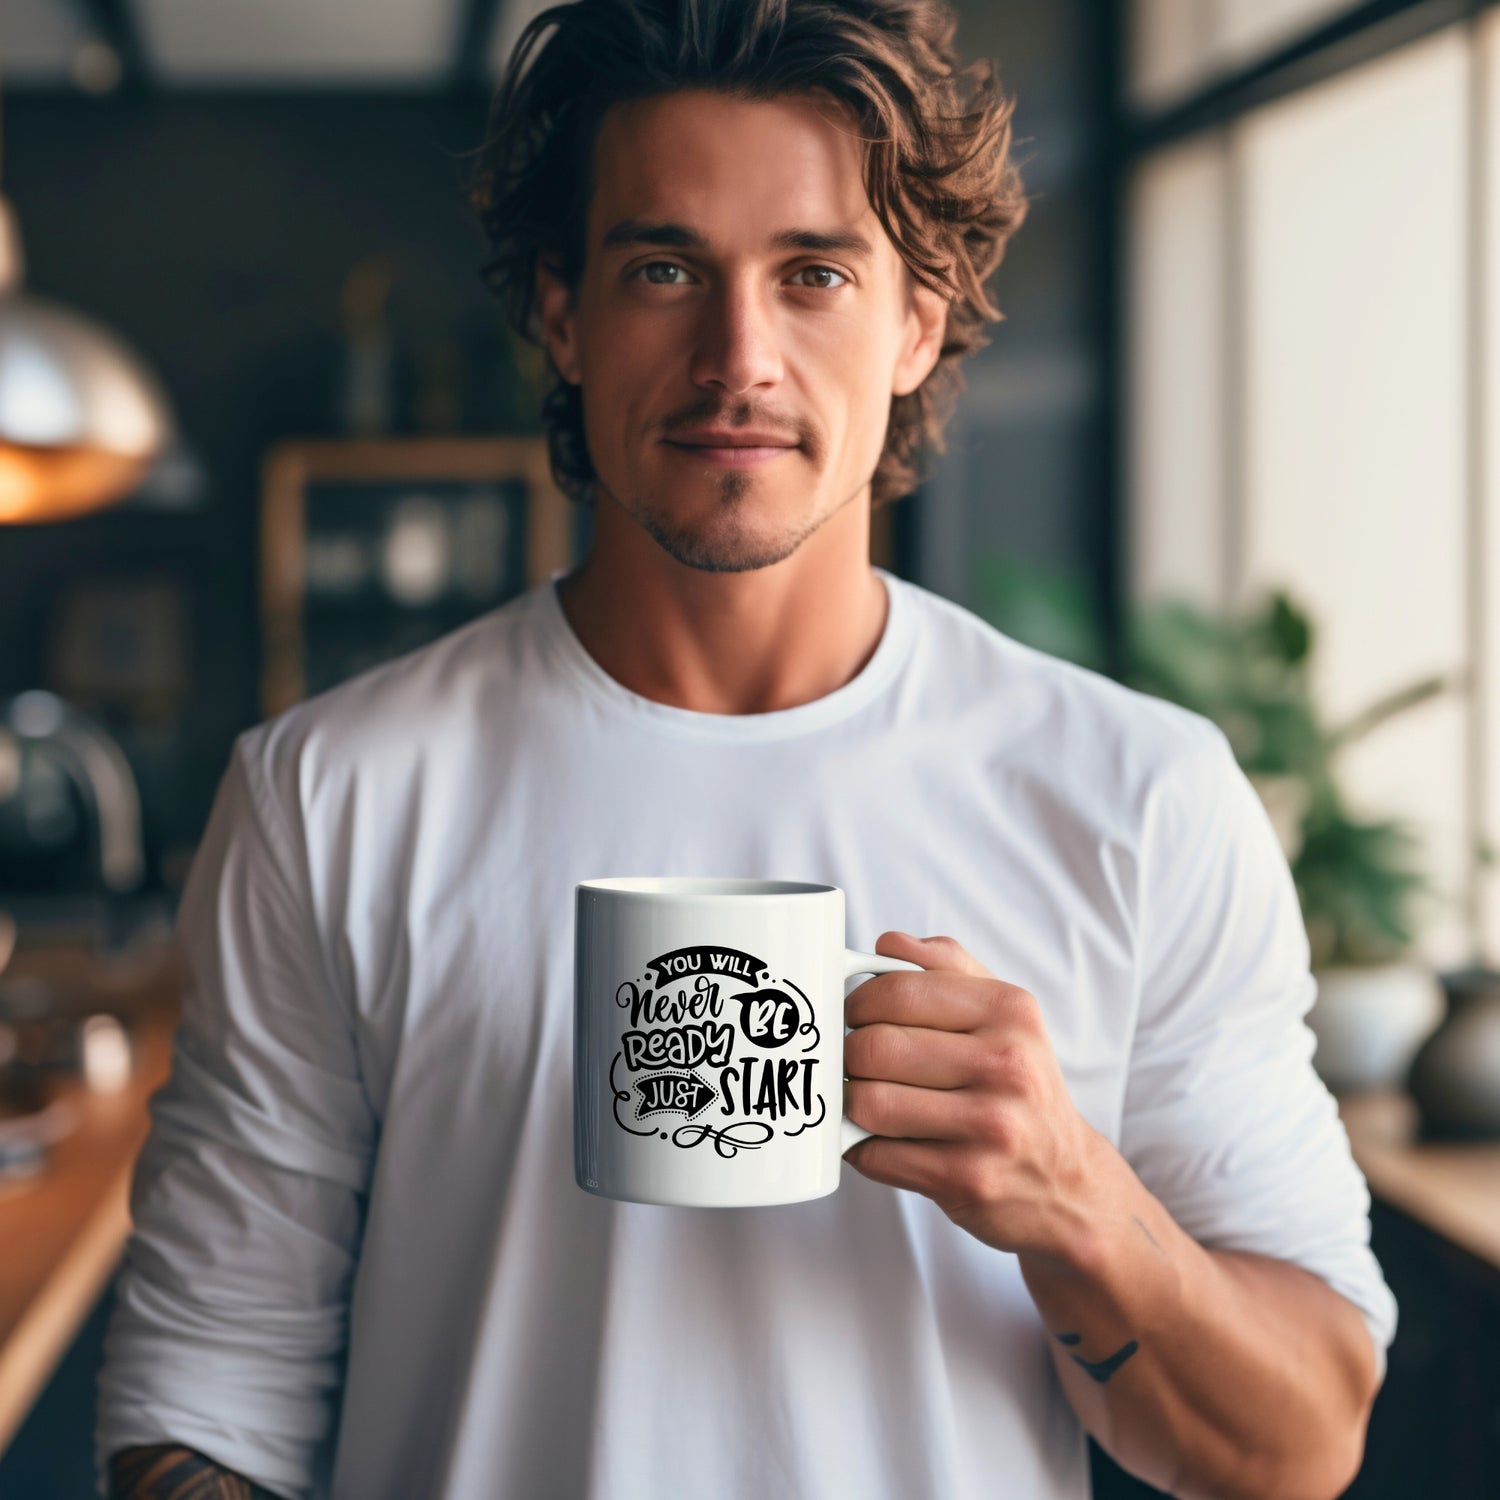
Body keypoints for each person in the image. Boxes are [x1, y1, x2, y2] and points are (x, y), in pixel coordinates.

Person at [97, 2, 1395, 1497]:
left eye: (815, 274)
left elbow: (1299, 1444)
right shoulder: (331, 796)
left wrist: (1080, 1200)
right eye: (664, 270)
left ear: (918, 320)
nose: (739, 357)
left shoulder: (1139, 798)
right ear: (564, 314)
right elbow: (207, 1394)